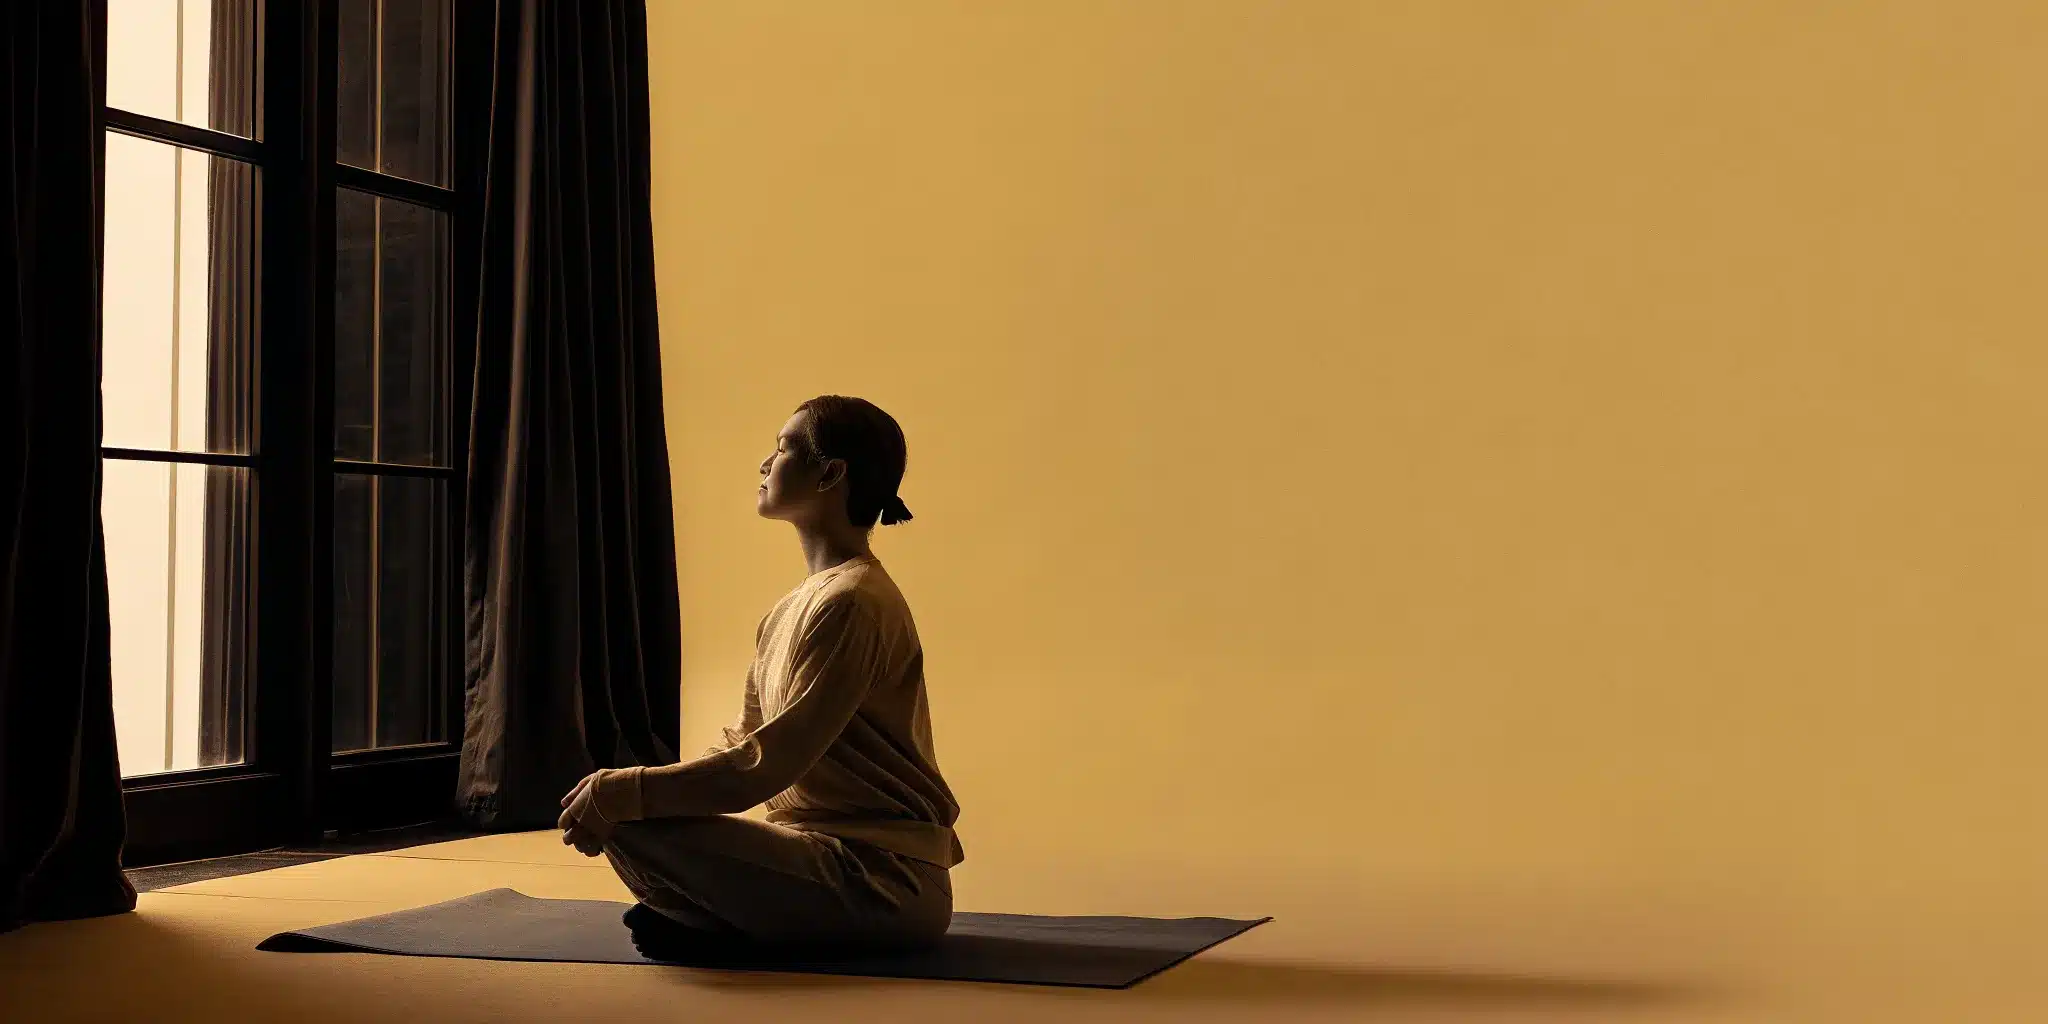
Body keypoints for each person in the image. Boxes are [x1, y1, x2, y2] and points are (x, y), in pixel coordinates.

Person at [557, 395, 963, 958]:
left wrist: (625, 791)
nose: (765, 464)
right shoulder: (791, 607)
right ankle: (728, 924)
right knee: (629, 809)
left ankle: (721, 924)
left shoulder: (853, 603)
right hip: (809, 857)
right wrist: (635, 791)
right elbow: (741, 742)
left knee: (628, 815)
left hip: (880, 880)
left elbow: (766, 767)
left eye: (783, 447)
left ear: (830, 473)